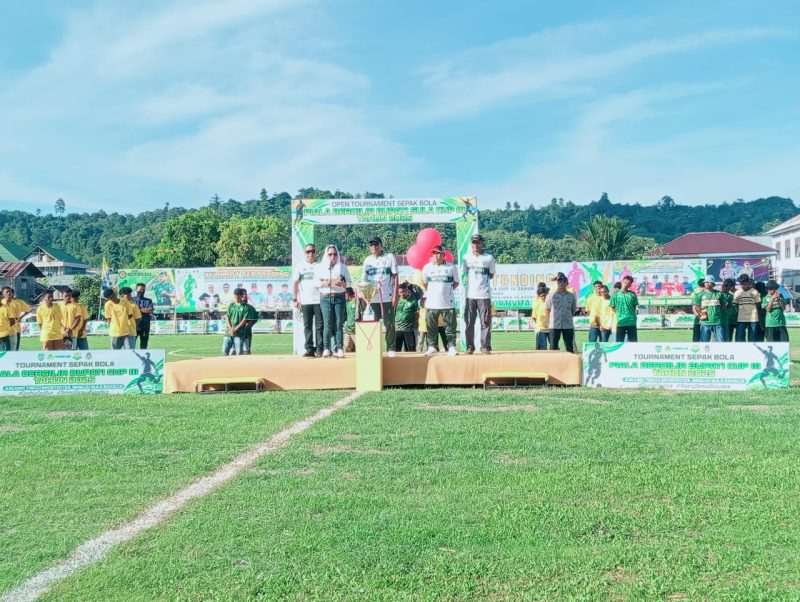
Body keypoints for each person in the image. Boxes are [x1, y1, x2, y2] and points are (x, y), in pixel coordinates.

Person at [363, 235, 398, 357]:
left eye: (376, 244)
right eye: (371, 245)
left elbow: (395, 276)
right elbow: (365, 281)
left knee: (389, 324)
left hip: (387, 296)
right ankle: (374, 349)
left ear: (381, 245)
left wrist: (395, 295)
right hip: (372, 299)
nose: (374, 247)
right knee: (373, 324)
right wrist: (364, 298)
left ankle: (391, 348)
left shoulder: (389, 257)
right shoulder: (367, 260)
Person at [461, 233, 496, 354]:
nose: (476, 245)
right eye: (473, 242)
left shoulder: (489, 258)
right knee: (469, 322)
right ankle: (470, 347)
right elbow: (464, 274)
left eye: (478, 242)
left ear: (482, 243)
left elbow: (491, 275)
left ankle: (485, 346)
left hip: (484, 295)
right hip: (470, 295)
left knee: (485, 322)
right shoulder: (466, 258)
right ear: (471, 244)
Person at [422, 245, 459, 356]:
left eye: (438, 253)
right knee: (431, 326)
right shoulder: (427, 267)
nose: (436, 256)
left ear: (443, 255)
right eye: (434, 253)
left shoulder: (451, 267)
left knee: (450, 326)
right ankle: (432, 346)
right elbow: (424, 283)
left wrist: (446, 291)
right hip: (432, 303)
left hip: (447, 303)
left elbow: (456, 282)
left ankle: (451, 346)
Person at [317, 244, 351, 358]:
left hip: (339, 297)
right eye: (330, 254)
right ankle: (326, 348)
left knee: (338, 324)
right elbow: (315, 283)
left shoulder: (342, 267)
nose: (333, 256)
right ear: (326, 255)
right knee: (327, 324)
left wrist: (343, 284)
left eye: (335, 254)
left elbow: (350, 283)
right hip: (325, 297)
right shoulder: (321, 267)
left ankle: (339, 348)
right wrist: (323, 283)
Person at [293, 244, 323, 358]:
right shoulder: (300, 266)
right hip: (305, 301)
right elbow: (295, 283)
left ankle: (320, 348)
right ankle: (309, 348)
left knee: (320, 326)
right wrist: (295, 299)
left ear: (316, 253)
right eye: (308, 252)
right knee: (307, 325)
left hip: (319, 300)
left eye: (313, 251)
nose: (310, 254)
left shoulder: (319, 266)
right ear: (304, 253)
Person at [545, 273, 577, 352]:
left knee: (569, 347)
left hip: (568, 325)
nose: (561, 284)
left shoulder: (571, 296)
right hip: (554, 325)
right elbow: (547, 309)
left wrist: (567, 317)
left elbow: (573, 310)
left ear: (567, 283)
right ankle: (553, 363)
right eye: (559, 282)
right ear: (557, 283)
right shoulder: (551, 295)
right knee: (553, 347)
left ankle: (569, 363)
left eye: (563, 282)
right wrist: (549, 321)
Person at [223, 288, 257, 355]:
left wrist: (248, 325)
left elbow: (248, 320)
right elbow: (227, 317)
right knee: (226, 351)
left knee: (243, 351)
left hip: (242, 333)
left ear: (242, 296)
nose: (236, 299)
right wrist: (231, 329)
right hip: (229, 332)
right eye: (235, 297)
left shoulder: (248, 307)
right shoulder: (231, 305)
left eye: (238, 297)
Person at [693, 276, 725, 342]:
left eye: (708, 282)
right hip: (705, 322)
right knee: (704, 342)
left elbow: (723, 305)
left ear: (712, 283)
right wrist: (701, 313)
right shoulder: (699, 295)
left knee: (720, 342)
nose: (706, 283)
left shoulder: (719, 294)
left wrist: (717, 313)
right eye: (705, 282)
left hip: (717, 322)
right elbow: (696, 306)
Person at [609, 275, 638, 343]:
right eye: (625, 282)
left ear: (630, 285)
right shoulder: (615, 295)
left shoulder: (632, 295)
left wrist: (630, 314)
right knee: (619, 342)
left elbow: (634, 307)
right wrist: (620, 314)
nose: (625, 284)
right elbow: (613, 308)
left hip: (631, 322)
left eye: (628, 284)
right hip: (620, 322)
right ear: (622, 282)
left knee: (633, 342)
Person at [1, 287, 31, 351]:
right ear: (3, 294)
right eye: (7, 292)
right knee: (3, 351)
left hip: (14, 330)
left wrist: (21, 317)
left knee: (14, 350)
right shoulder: (2, 304)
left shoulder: (18, 302)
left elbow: (29, 309)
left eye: (10, 292)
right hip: (2, 332)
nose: (9, 293)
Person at [733, 275, 761, 342]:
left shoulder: (755, 292)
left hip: (753, 319)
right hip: (741, 318)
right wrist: (740, 311)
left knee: (753, 339)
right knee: (739, 339)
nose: (743, 286)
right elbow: (735, 304)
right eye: (741, 284)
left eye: (744, 284)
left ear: (748, 282)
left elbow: (758, 305)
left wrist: (755, 313)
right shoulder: (737, 292)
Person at [394, 282, 419, 352]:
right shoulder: (397, 300)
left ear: (407, 291)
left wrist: (416, 325)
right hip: (397, 329)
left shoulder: (413, 301)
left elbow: (416, 314)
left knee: (411, 349)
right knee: (396, 350)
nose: (402, 294)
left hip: (408, 329)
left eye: (403, 292)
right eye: (400, 292)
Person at [131, 283, 154, 349]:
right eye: (140, 289)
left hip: (145, 325)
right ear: (136, 289)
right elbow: (132, 311)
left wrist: (138, 309)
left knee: (144, 344)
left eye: (143, 290)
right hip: (134, 326)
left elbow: (150, 310)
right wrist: (144, 309)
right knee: (132, 344)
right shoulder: (132, 300)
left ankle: (144, 358)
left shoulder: (148, 300)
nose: (142, 291)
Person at [531, 284, 550, 350]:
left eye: (544, 295)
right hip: (541, 329)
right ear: (539, 296)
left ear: (547, 294)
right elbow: (534, 317)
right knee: (543, 347)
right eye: (541, 296)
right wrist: (539, 325)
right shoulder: (536, 304)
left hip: (551, 328)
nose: (543, 297)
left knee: (554, 346)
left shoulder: (551, 302)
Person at [691, 278, 705, 342]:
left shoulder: (695, 291)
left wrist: (697, 315)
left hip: (699, 316)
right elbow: (694, 306)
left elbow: (693, 307)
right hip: (705, 317)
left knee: (696, 336)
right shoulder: (707, 292)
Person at [343, 287, 356, 353]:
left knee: (359, 348)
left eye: (344, 294)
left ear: (347, 294)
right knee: (346, 347)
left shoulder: (356, 302)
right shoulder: (346, 303)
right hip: (347, 330)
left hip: (355, 330)